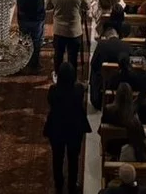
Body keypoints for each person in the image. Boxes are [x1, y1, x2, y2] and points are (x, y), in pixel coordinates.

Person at [44, 61, 92, 194]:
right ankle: (72, 184)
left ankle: (58, 183)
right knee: (73, 158)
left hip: (57, 127)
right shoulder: (78, 90)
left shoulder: (53, 90)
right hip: (74, 128)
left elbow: (50, 101)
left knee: (57, 157)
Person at [46, 0, 90, 75]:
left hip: (59, 30)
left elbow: (47, 7)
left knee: (58, 55)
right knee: (73, 57)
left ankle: (57, 75)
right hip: (74, 31)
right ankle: (72, 77)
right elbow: (87, 7)